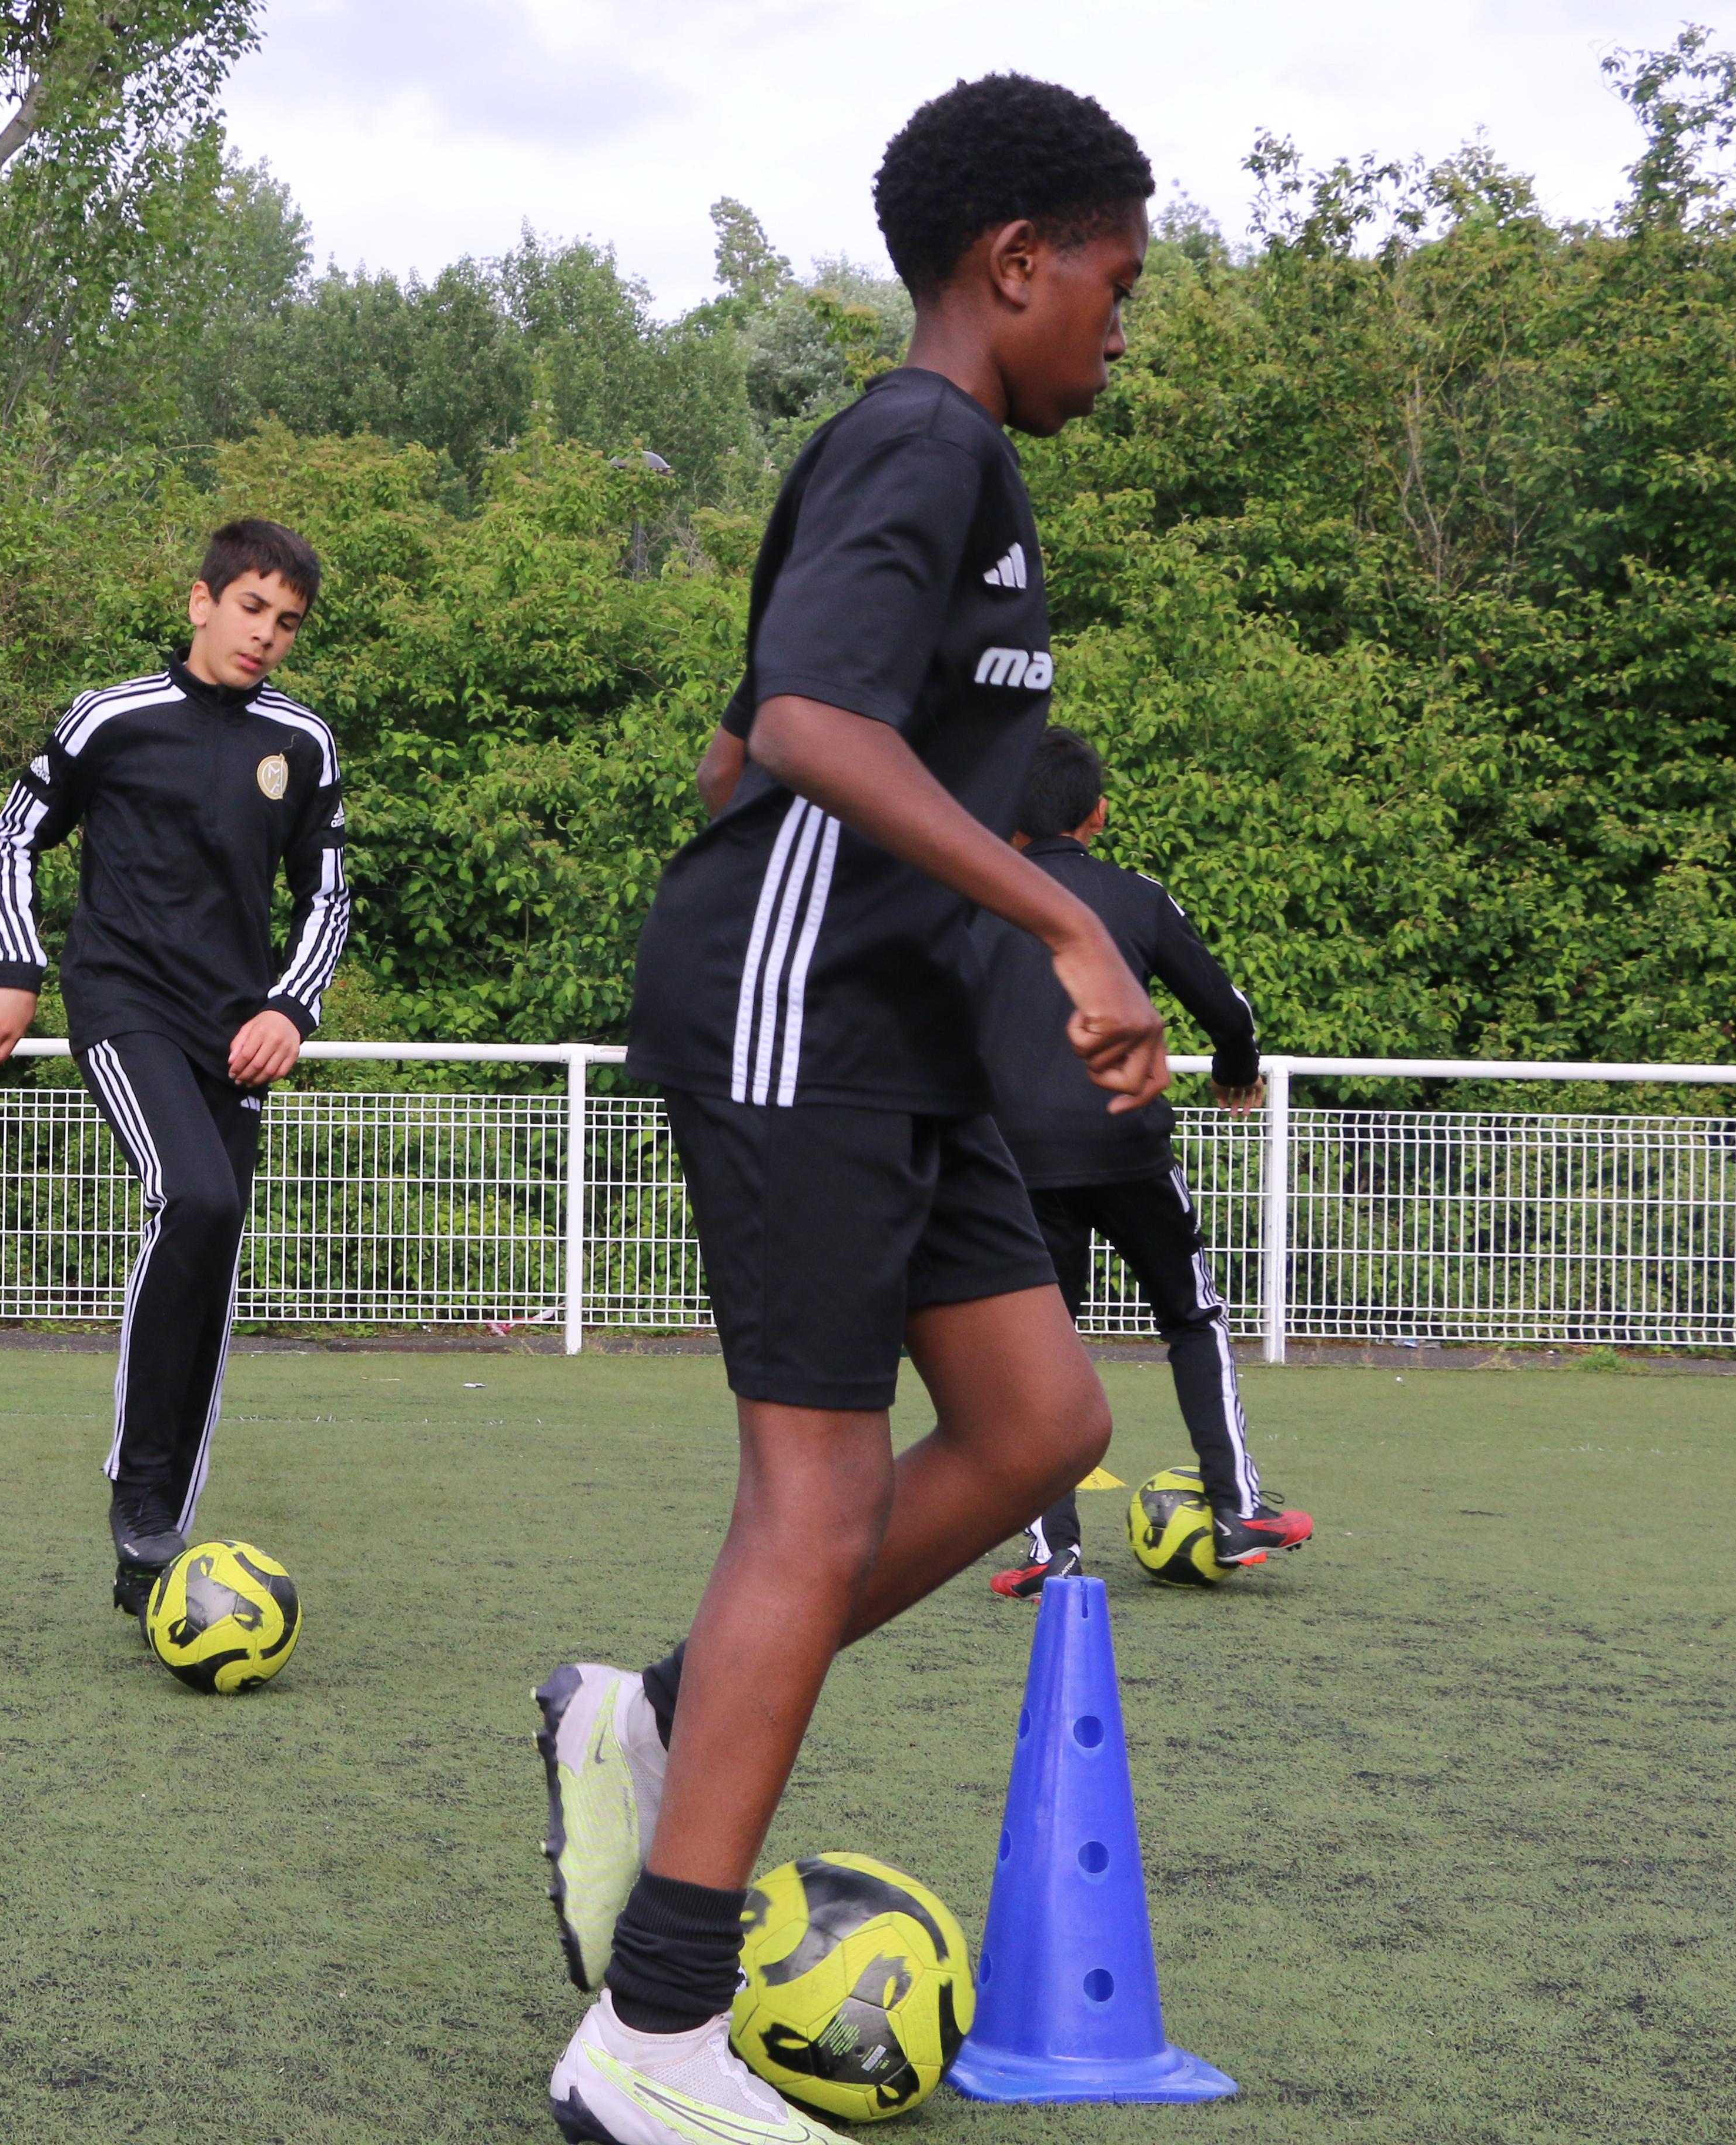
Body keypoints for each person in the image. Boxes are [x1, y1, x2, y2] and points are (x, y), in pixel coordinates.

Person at [530, 78, 1165, 2145]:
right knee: (804, 1504)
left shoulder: (940, 462)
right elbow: (806, 726)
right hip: (799, 1008)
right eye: (1114, 284)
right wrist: (1059, 924)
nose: (1122, 327)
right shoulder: (925, 439)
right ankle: (655, 2029)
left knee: (1040, 1423)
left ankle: (654, 1718)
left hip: (889, 1019)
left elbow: (743, 738)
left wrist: (968, 938)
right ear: (1014, 261)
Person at [0, 521, 352, 1619]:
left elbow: (328, 894)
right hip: (123, 1003)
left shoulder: (302, 743)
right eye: (251, 609)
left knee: (214, 1249)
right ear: (202, 603)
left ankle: (156, 1552)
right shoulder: (112, 718)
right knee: (195, 1195)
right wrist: (17, 971)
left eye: (287, 623)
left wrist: (289, 1007)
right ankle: (137, 1493)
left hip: (235, 1030)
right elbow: (12, 839)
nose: (266, 635)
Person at [974, 726, 1312, 1598]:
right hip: (1128, 1147)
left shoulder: (973, 902)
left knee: (1040, 1354)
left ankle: (1053, 1552)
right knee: (1193, 1318)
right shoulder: (1135, 896)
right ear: (1098, 813)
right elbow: (1226, 1008)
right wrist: (1236, 1068)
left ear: (1007, 817)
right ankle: (1236, 1510)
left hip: (1017, 1160)